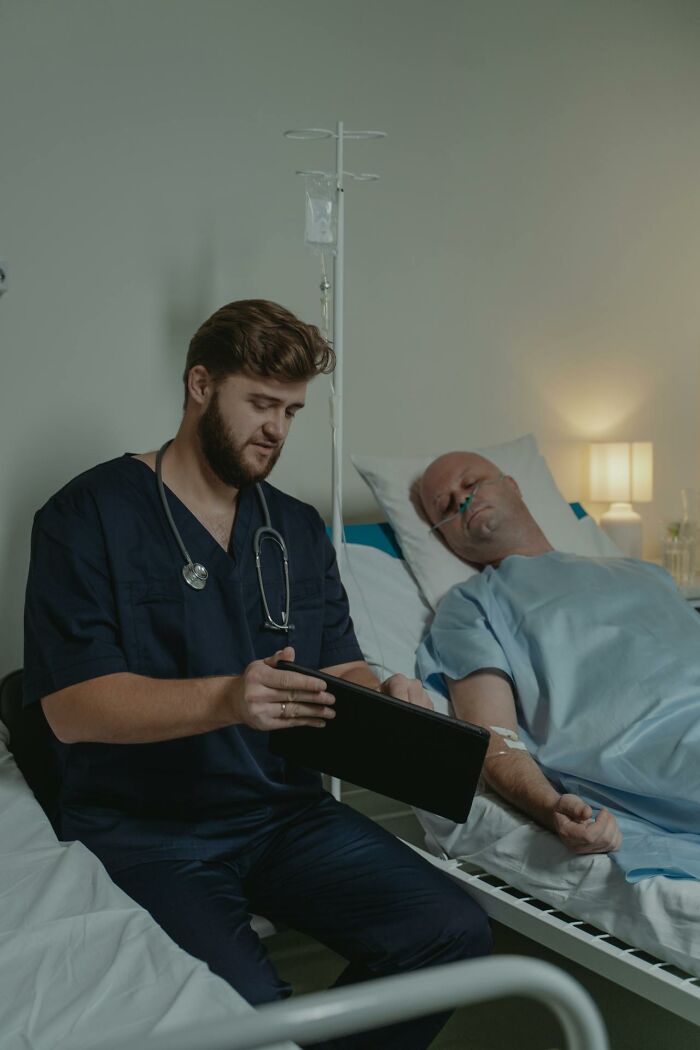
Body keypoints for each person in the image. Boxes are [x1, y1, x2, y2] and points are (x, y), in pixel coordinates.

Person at [23, 301, 491, 1050]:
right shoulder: (87, 516)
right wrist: (229, 699)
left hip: (282, 815)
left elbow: (338, 666)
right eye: (261, 403)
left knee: (453, 933)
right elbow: (70, 709)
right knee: (249, 1015)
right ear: (200, 385)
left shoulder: (295, 528)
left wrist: (389, 698)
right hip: (147, 832)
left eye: (292, 411)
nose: (277, 428)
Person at [416, 450, 700, 880]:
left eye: (470, 483)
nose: (461, 500)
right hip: (653, 748)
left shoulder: (642, 572)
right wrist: (550, 808)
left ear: (513, 486)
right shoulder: (469, 604)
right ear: (447, 538)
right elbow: (492, 739)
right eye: (445, 507)